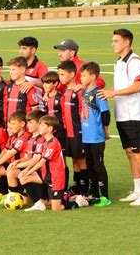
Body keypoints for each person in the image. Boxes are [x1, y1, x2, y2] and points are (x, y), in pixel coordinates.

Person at [97, 28, 140, 206]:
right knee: (130, 153)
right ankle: (138, 190)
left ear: (126, 42)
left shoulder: (134, 61)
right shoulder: (120, 62)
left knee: (139, 153)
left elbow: (137, 86)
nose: (112, 44)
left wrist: (113, 93)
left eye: (116, 41)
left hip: (134, 115)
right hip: (123, 114)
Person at [20, 115, 87, 212]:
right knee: (24, 178)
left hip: (55, 178)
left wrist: (29, 170)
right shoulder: (44, 141)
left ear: (50, 128)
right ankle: (39, 203)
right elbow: (37, 159)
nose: (39, 127)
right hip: (45, 176)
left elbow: (42, 161)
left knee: (56, 209)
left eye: (42, 125)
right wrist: (26, 170)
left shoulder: (52, 143)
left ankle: (79, 202)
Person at [80, 62, 112, 207]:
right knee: (90, 165)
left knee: (99, 165)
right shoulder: (84, 92)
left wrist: (105, 130)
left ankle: (105, 196)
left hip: (96, 136)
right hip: (86, 136)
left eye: (84, 75)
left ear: (93, 76)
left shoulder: (98, 93)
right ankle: (94, 194)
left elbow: (105, 113)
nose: (81, 78)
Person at [58, 60, 89, 195]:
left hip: (79, 131)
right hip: (69, 132)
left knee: (82, 160)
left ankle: (85, 189)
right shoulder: (66, 91)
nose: (60, 77)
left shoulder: (80, 91)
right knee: (74, 159)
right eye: (59, 74)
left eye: (63, 74)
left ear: (72, 74)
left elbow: (84, 111)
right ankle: (77, 187)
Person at [0, 111, 30, 204]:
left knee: (26, 202)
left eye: (13, 124)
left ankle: (13, 197)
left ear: (22, 124)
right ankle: (4, 194)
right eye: (10, 124)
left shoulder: (24, 137)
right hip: (14, 166)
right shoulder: (13, 137)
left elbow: (11, 153)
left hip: (23, 166)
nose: (10, 127)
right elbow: (6, 150)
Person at [7, 110, 45, 205]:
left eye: (31, 123)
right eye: (28, 123)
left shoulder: (41, 139)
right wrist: (18, 161)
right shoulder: (31, 139)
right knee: (12, 171)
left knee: (21, 175)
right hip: (33, 170)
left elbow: (36, 160)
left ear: (39, 124)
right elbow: (27, 156)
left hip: (42, 173)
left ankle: (36, 201)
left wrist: (21, 166)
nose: (28, 125)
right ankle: (12, 198)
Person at [41, 71, 69, 189]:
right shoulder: (46, 99)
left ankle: (64, 187)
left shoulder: (60, 98)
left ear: (56, 83)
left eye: (48, 83)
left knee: (62, 160)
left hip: (61, 133)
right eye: (44, 83)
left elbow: (65, 116)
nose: (45, 86)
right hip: (50, 134)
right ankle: (52, 184)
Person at [18, 36, 49, 110]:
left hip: (37, 109)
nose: (20, 51)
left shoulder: (40, 66)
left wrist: (33, 83)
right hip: (21, 107)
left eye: (24, 48)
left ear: (33, 50)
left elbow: (47, 84)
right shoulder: (18, 64)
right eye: (20, 48)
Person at [6, 56, 40, 122]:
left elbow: (35, 110)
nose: (10, 72)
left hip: (24, 128)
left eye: (13, 70)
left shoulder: (29, 88)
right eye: (10, 70)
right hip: (10, 127)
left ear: (22, 70)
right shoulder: (9, 86)